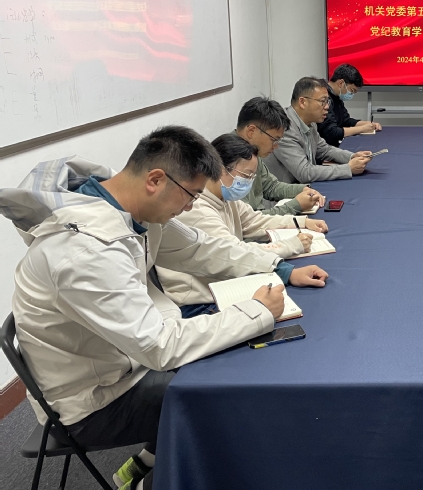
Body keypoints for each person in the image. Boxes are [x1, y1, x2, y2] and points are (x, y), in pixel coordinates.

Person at [0, 126, 308, 490]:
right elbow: (159, 347)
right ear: (156, 180)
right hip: (91, 403)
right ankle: (163, 478)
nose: (190, 207)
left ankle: (146, 466)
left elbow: (201, 249)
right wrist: (256, 311)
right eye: (191, 195)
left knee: (227, 362)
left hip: (124, 363)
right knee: (226, 398)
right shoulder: (83, 251)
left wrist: (280, 268)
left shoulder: (128, 211)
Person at [158, 133, 330, 318]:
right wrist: (290, 248)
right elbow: (231, 253)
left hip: (224, 281)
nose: (248, 182)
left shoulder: (223, 197)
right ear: (221, 170)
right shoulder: (197, 211)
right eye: (246, 175)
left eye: (252, 177)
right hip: (201, 302)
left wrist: (299, 222)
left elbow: (256, 221)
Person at [265, 77, 372, 183]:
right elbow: (304, 172)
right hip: (286, 191)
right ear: (302, 102)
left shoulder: (310, 123)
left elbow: (324, 149)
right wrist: (348, 168)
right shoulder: (284, 129)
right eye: (322, 101)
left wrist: (352, 156)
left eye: (327, 101)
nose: (327, 107)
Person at [235, 96, 324, 216]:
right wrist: (296, 205)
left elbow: (271, 187)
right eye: (274, 140)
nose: (276, 146)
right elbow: (249, 220)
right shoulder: (231, 160)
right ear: (251, 131)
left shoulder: (252, 150)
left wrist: (303, 189)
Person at [318, 63, 382, 147]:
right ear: (341, 83)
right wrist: (362, 129)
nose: (352, 94)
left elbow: (345, 121)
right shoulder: (324, 98)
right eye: (352, 90)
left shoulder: (336, 96)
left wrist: (368, 124)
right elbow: (332, 132)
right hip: (325, 147)